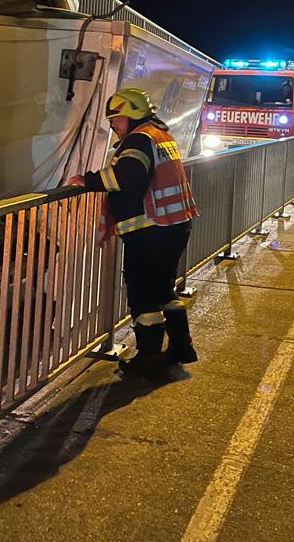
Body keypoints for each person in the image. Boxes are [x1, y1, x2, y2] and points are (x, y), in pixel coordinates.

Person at [66, 88, 200, 378]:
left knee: (143, 296)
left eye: (116, 118)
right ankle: (181, 347)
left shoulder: (139, 139)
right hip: (171, 225)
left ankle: (148, 358)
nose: (112, 124)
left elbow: (126, 176)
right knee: (164, 289)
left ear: (132, 115)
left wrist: (87, 181)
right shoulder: (159, 134)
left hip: (152, 230)